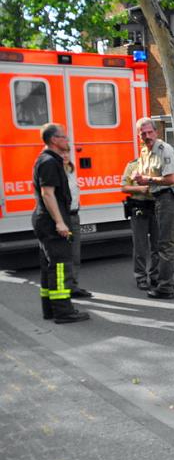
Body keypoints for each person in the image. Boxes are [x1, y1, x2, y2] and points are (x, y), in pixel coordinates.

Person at [132, 118, 174, 299]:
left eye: (149, 132)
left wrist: (147, 180)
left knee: (165, 244)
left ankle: (164, 288)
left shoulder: (164, 150)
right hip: (157, 199)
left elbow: (171, 179)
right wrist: (138, 177)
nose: (146, 136)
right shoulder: (145, 151)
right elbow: (147, 175)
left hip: (168, 197)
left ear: (156, 132)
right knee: (172, 242)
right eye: (142, 133)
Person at [31, 123, 90, 324]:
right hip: (50, 222)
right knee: (60, 267)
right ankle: (64, 311)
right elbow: (48, 194)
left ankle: (49, 309)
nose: (67, 140)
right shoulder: (49, 162)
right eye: (64, 137)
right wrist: (59, 222)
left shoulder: (48, 160)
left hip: (44, 221)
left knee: (49, 266)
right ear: (54, 140)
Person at [121, 157, 159, 290]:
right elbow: (124, 188)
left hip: (157, 208)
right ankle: (140, 277)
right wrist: (140, 189)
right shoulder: (133, 165)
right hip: (140, 208)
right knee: (140, 246)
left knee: (158, 246)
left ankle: (155, 276)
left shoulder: (159, 164)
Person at [62, 151, 92, 298]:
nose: (65, 155)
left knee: (75, 255)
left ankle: (73, 286)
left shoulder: (71, 170)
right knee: (63, 256)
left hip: (74, 216)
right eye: (61, 152)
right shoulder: (54, 171)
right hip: (63, 218)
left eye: (67, 152)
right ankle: (64, 288)